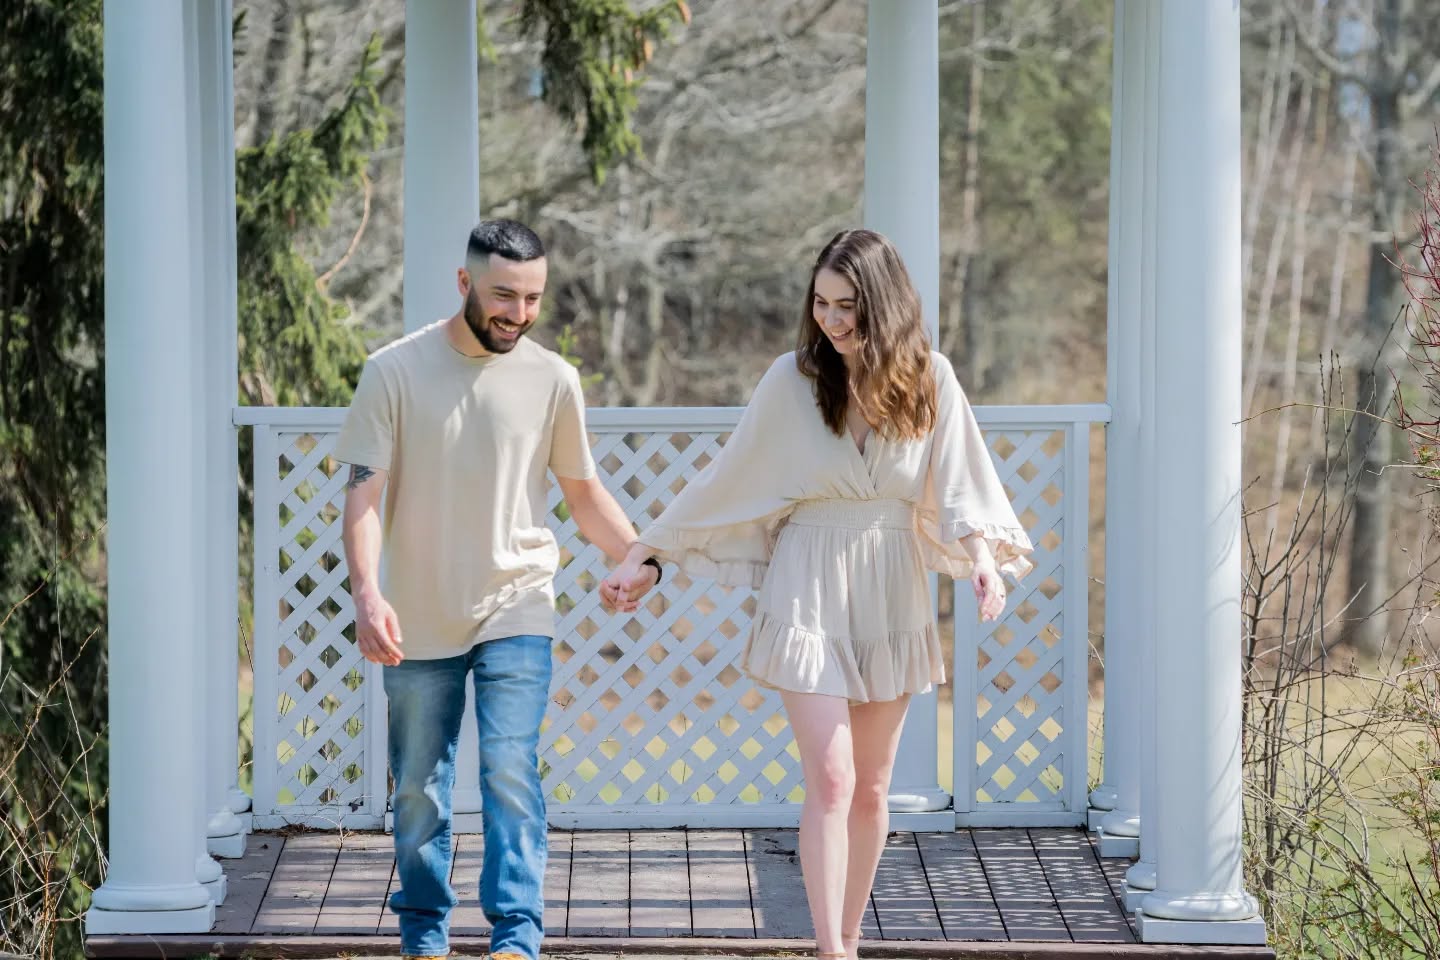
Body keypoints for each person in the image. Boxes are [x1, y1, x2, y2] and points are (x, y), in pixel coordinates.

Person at [602, 228, 1033, 960]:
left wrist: (982, 560)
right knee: (830, 779)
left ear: (886, 305)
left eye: (849, 307)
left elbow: (960, 485)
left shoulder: (932, 378)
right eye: (822, 304)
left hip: (892, 585)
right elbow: (727, 477)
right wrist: (649, 553)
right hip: (807, 582)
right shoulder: (791, 379)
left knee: (872, 789)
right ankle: (829, 949)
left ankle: (853, 938)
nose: (832, 322)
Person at [334, 218, 659, 960]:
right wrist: (366, 593)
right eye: (503, 294)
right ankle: (425, 932)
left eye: (533, 297)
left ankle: (517, 937)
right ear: (464, 284)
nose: (518, 312)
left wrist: (643, 557)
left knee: (511, 767)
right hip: (417, 612)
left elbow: (583, 493)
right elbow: (361, 497)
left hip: (518, 599)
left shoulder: (553, 380)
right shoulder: (393, 371)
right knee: (419, 785)